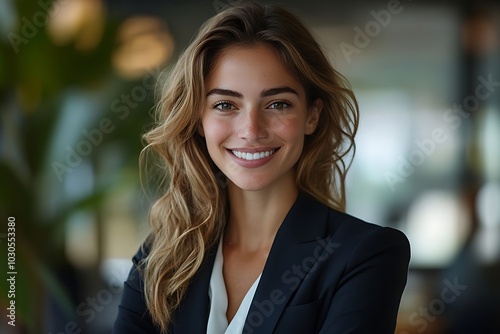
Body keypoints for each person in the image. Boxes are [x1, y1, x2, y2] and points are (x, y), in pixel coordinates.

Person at [113, 2, 410, 333]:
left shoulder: (366, 254)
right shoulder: (162, 257)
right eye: (225, 105)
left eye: (278, 104)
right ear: (199, 119)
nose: (251, 130)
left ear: (312, 115)